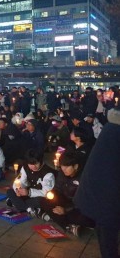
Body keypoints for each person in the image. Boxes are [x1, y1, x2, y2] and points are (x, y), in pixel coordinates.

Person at [75, 107, 120, 258]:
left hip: (99, 194)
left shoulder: (110, 128)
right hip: (108, 196)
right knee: (108, 233)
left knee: (106, 232)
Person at [39, 151, 94, 237]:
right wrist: (51, 194)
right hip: (65, 200)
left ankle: (56, 217)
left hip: (79, 206)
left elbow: (84, 200)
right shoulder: (62, 173)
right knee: (44, 201)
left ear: (75, 166)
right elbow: (57, 188)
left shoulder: (84, 177)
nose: (63, 169)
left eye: (67, 166)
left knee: (84, 218)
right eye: (62, 166)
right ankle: (68, 226)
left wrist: (65, 210)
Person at [6, 148, 55, 217]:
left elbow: (46, 192)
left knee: (41, 201)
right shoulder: (25, 167)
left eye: (36, 163)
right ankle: (29, 209)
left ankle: (18, 204)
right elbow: (21, 180)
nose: (33, 166)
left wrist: (29, 192)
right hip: (27, 194)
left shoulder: (48, 173)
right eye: (30, 164)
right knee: (10, 191)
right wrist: (18, 189)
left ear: (40, 161)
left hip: (39, 196)